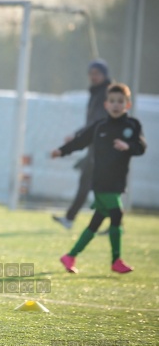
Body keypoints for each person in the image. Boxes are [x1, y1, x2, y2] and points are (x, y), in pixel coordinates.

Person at [51, 83, 146, 274]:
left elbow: (141, 147)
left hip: (118, 182)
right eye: (112, 101)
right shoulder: (100, 126)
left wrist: (128, 146)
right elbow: (80, 141)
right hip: (102, 182)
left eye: (120, 101)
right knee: (117, 214)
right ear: (106, 104)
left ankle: (70, 256)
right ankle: (116, 260)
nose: (116, 105)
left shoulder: (133, 126)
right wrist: (61, 151)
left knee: (96, 222)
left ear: (127, 104)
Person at [53, 59, 112, 230]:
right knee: (88, 182)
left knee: (100, 185)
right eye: (91, 73)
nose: (93, 77)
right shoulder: (96, 92)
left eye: (97, 73)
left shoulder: (105, 93)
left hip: (102, 145)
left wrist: (77, 135)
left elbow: (98, 122)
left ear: (104, 75)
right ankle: (70, 218)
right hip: (95, 144)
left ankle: (116, 221)